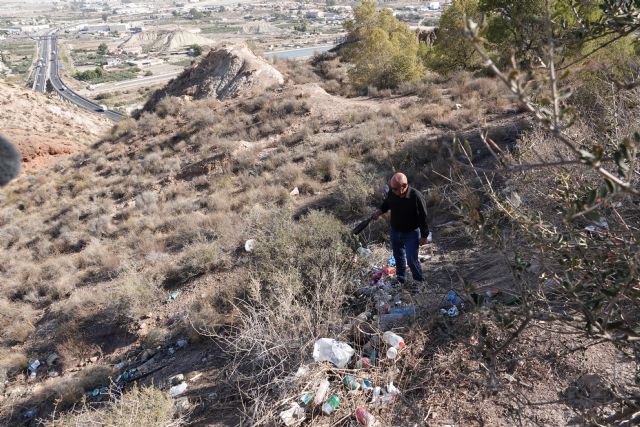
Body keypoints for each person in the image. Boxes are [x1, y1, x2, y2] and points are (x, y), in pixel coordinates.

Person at [372, 172, 429, 289]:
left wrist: (424, 236)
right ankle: (401, 279)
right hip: (395, 232)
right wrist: (379, 212)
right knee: (398, 257)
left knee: (411, 259)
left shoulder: (416, 197)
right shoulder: (392, 193)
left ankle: (419, 282)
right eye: (392, 188)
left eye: (395, 189)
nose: (392, 191)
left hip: (411, 234)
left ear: (404, 186)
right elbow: (386, 204)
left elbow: (423, 217)